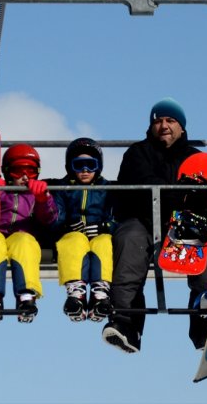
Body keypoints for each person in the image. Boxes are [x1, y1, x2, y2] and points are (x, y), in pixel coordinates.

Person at [102, 98, 207, 352]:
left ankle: (203, 320)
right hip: (144, 219)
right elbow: (139, 185)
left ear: (182, 127)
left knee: (206, 242)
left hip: (185, 224)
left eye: (170, 121)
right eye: (158, 121)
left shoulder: (196, 159)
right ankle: (126, 322)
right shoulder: (138, 153)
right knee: (129, 241)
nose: (163, 126)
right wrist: (181, 194)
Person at [0, 144, 58, 323]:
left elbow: (50, 219)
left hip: (23, 233)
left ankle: (26, 297)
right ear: (7, 172)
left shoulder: (36, 194)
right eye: (17, 171)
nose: (23, 177)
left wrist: (43, 199)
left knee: (25, 242)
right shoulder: (1, 190)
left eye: (30, 171)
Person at [51, 138, 117, 322]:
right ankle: (76, 292)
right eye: (79, 165)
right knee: (73, 241)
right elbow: (56, 215)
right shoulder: (63, 188)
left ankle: (100, 292)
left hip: (100, 234)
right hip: (74, 234)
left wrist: (106, 226)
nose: (85, 170)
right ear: (70, 167)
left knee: (104, 243)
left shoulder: (107, 189)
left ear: (99, 166)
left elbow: (116, 215)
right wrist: (66, 226)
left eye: (91, 165)